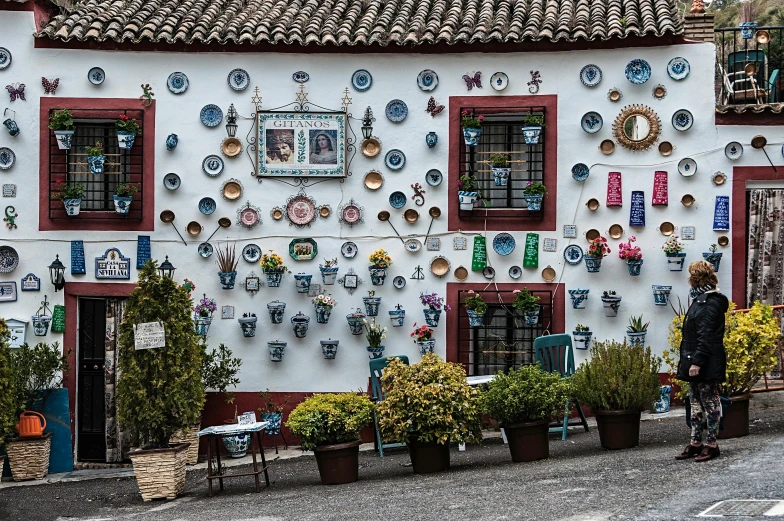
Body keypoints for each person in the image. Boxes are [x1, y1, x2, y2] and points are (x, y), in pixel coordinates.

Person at [675, 260, 729, 462]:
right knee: (695, 401)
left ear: (695, 279)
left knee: (709, 402)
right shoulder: (702, 299)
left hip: (705, 361)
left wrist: (697, 362)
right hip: (697, 358)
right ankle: (696, 442)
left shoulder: (708, 302)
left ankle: (712, 445)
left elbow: (706, 336)